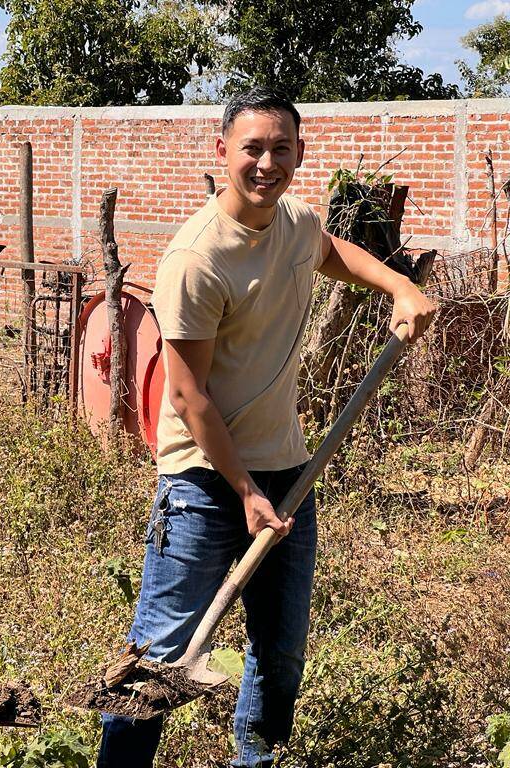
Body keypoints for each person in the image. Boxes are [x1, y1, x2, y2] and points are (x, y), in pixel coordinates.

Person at [97, 86, 436, 767]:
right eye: (252, 148)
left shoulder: (295, 222)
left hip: (288, 471)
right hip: (202, 481)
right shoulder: (197, 259)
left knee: (279, 653)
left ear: (300, 155)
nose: (266, 163)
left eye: (281, 148)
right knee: (163, 658)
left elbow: (332, 250)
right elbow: (189, 396)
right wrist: (245, 489)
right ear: (222, 152)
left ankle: (258, 760)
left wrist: (399, 286)